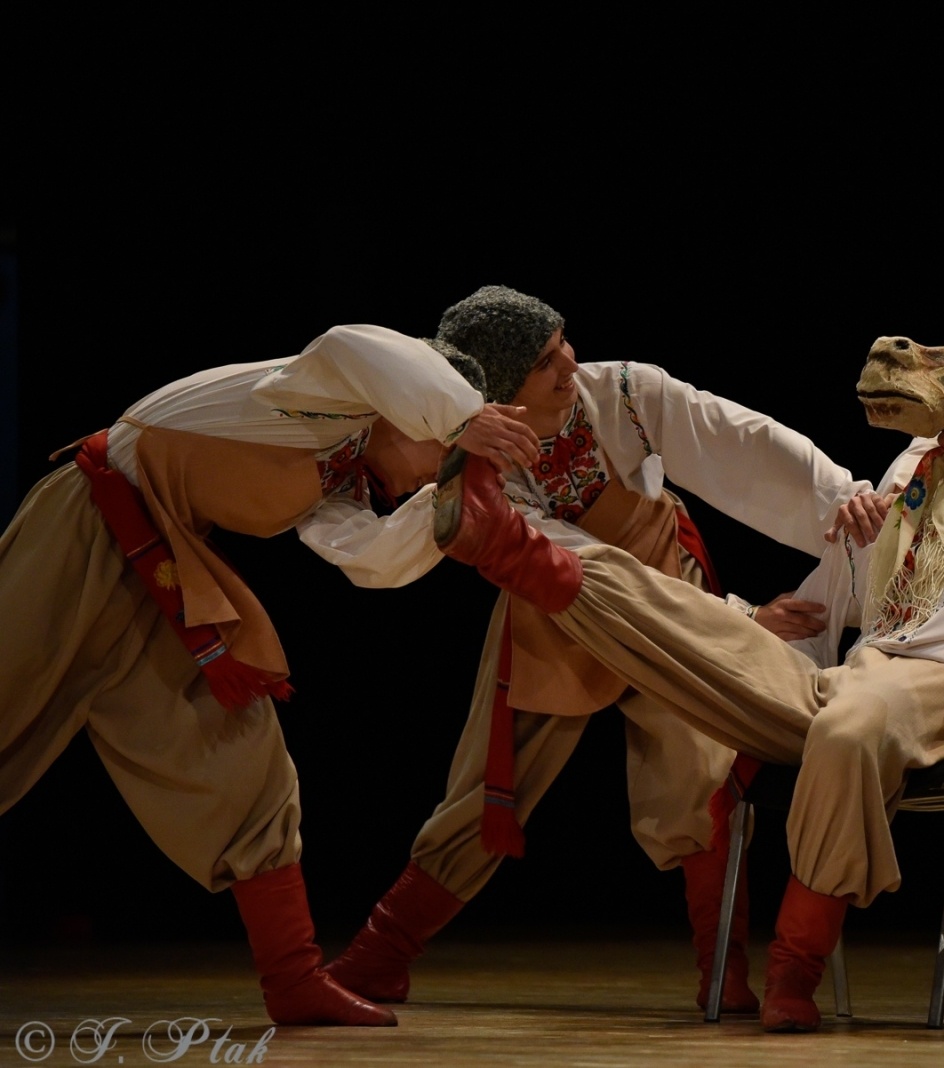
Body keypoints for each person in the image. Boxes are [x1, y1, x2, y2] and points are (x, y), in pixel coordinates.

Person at [427, 294, 944, 1033]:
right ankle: (519, 549)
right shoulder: (914, 473)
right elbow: (839, 599)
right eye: (544, 360)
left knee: (848, 726)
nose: (568, 363)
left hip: (936, 686)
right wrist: (784, 596)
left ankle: (794, 969)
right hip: (849, 673)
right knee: (706, 631)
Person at [325, 286, 878, 1017]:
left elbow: (742, 444)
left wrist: (842, 501)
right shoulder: (480, 470)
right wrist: (733, 620)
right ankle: (381, 954)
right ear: (500, 389)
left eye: (564, 346)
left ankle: (725, 970)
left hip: (666, 587)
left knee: (700, 775)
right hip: (563, 609)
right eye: (544, 362)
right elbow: (586, 576)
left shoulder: (625, 393)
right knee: (491, 786)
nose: (569, 366)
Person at [0, 324, 541, 1027]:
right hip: (84, 530)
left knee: (247, 765)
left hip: (161, 581)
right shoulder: (324, 395)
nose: (427, 478)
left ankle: (292, 980)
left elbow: (370, 558)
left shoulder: (340, 475)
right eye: (442, 458)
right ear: (416, 412)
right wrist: (465, 415)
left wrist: (457, 513)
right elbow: (357, 343)